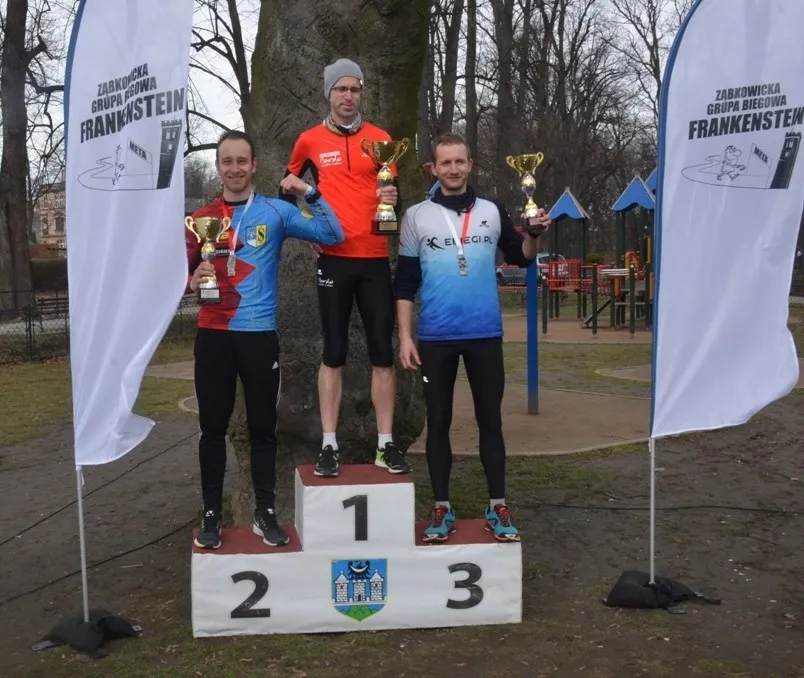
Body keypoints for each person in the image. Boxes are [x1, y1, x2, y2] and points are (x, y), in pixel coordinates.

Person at [187, 130, 345, 550]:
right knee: (211, 430)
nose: (235, 169)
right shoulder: (201, 218)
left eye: (242, 160)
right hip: (213, 336)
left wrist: (308, 191)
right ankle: (211, 514)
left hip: (258, 336)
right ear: (218, 167)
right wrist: (193, 280)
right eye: (227, 161)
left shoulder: (276, 212)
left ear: (255, 165)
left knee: (263, 429)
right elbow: (176, 278)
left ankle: (265, 512)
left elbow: (333, 233)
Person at [395, 133, 552, 543]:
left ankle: (497, 505)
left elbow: (521, 257)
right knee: (438, 421)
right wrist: (405, 337)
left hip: (484, 334)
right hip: (435, 337)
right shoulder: (416, 216)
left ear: (470, 165)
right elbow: (405, 283)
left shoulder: (492, 210)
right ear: (433, 168)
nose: (453, 169)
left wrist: (535, 234)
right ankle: (441, 507)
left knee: (490, 421)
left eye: (459, 162)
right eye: (445, 163)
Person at [279, 58, 411, 478]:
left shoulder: (382, 140)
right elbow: (285, 191)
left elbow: (394, 201)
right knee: (333, 352)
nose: (348, 96)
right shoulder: (309, 141)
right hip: (334, 260)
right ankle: (329, 445)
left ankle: (385, 445)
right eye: (341, 89)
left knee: (382, 354)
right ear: (329, 93)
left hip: (374, 260)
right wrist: (309, 228)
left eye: (355, 89)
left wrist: (393, 198)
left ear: (361, 93)